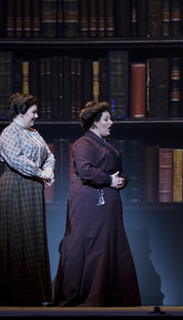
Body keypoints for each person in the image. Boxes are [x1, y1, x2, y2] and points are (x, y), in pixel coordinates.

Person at [51, 101, 141, 307]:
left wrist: (121, 181)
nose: (111, 123)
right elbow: (85, 170)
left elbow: (121, 170)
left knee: (110, 243)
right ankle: (89, 294)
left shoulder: (109, 145)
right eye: (106, 119)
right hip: (89, 199)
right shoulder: (84, 143)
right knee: (94, 244)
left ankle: (110, 294)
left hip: (109, 200)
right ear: (94, 123)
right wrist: (110, 180)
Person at [0, 93, 55, 306]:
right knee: (18, 236)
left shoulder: (34, 133)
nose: (36, 116)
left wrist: (48, 170)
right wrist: (40, 172)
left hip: (33, 187)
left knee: (33, 235)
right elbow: (16, 159)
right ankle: (14, 293)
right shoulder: (9, 133)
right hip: (15, 186)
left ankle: (35, 292)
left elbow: (49, 155)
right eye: (33, 112)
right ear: (21, 112)